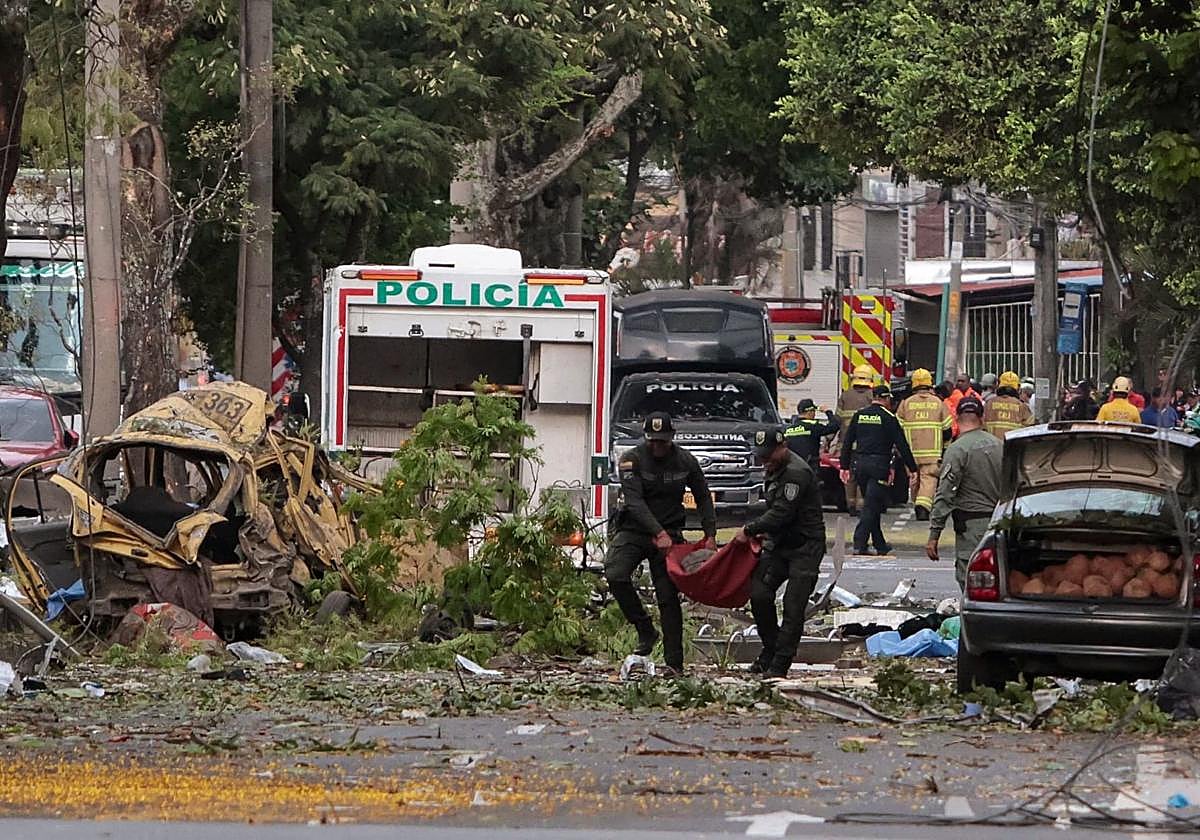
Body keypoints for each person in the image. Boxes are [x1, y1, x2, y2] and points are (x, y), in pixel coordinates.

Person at [606, 411, 716, 674]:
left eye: (662, 442)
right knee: (615, 574)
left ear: (671, 439)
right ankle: (645, 629)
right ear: (646, 438)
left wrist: (710, 534)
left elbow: (702, 495)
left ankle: (674, 663)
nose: (657, 447)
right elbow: (634, 502)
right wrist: (657, 532)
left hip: (670, 534)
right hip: (635, 530)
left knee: (668, 598)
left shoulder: (685, 461)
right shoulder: (632, 459)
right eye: (653, 441)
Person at [733, 428, 825, 678]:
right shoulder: (774, 468)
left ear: (783, 447)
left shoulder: (796, 472)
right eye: (762, 457)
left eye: (770, 455)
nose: (766, 461)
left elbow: (781, 513)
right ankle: (770, 649)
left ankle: (780, 663)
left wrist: (750, 529)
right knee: (759, 594)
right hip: (779, 544)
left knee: (793, 606)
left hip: (805, 547)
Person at [925, 396, 1003, 588]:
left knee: (971, 580)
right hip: (1000, 523)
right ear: (982, 418)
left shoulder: (957, 450)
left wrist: (934, 534)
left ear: (956, 418)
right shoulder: (1000, 446)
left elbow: (945, 495)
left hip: (971, 527)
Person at [840, 384, 918, 556]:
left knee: (872, 504)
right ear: (887, 398)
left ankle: (879, 544)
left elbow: (847, 442)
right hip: (879, 465)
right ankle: (859, 542)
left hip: (860, 464)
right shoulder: (889, 417)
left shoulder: (859, 415)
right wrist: (912, 468)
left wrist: (844, 465)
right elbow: (902, 445)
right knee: (870, 506)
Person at [895, 368, 952, 521]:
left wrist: (899, 450)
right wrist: (945, 447)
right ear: (929, 384)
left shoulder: (905, 404)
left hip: (911, 453)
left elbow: (897, 429)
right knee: (929, 480)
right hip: (932, 454)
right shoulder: (938, 403)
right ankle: (923, 507)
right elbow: (947, 430)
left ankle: (917, 502)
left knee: (914, 479)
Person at [836, 364, 876, 514]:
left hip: (846, 445)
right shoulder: (871, 397)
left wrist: (827, 442)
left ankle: (850, 504)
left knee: (849, 474)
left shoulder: (845, 396)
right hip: (865, 445)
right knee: (862, 476)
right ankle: (860, 505)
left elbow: (837, 419)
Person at [784, 399, 841, 471]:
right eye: (814, 411)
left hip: (792, 467)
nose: (814, 414)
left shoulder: (788, 429)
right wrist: (828, 412)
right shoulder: (812, 426)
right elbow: (834, 426)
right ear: (810, 412)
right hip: (809, 466)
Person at [983, 371, 1034, 439]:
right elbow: (1031, 430)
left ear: (999, 386)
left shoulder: (988, 404)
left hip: (993, 447)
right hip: (1014, 447)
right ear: (1018, 388)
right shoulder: (1022, 407)